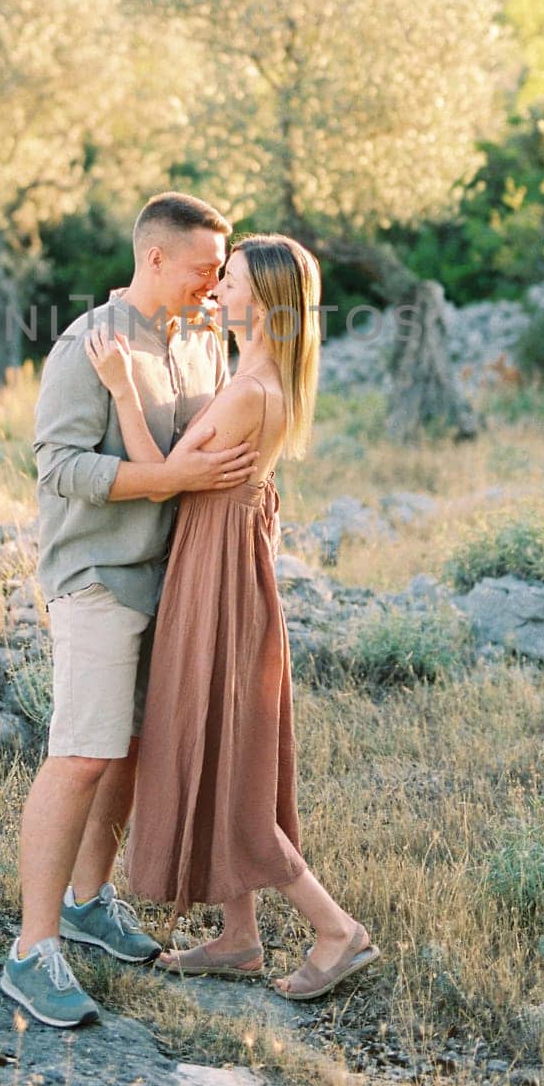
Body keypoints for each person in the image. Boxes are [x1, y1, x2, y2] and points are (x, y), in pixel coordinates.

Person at [83, 233, 380, 1001]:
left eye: (232, 280)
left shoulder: (249, 389)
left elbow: (163, 477)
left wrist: (121, 389)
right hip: (221, 566)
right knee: (220, 745)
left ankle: (335, 929)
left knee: (232, 766)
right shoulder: (252, 374)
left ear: (265, 300)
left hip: (215, 573)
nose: (216, 287)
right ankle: (239, 936)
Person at [0, 192, 262, 1028]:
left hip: (171, 581)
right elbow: (60, 468)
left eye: (219, 272)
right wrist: (173, 483)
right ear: (155, 258)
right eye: (203, 269)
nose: (213, 284)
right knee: (79, 753)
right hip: (98, 579)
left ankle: (88, 900)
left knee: (128, 752)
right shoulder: (89, 345)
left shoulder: (200, 342)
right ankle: (30, 952)